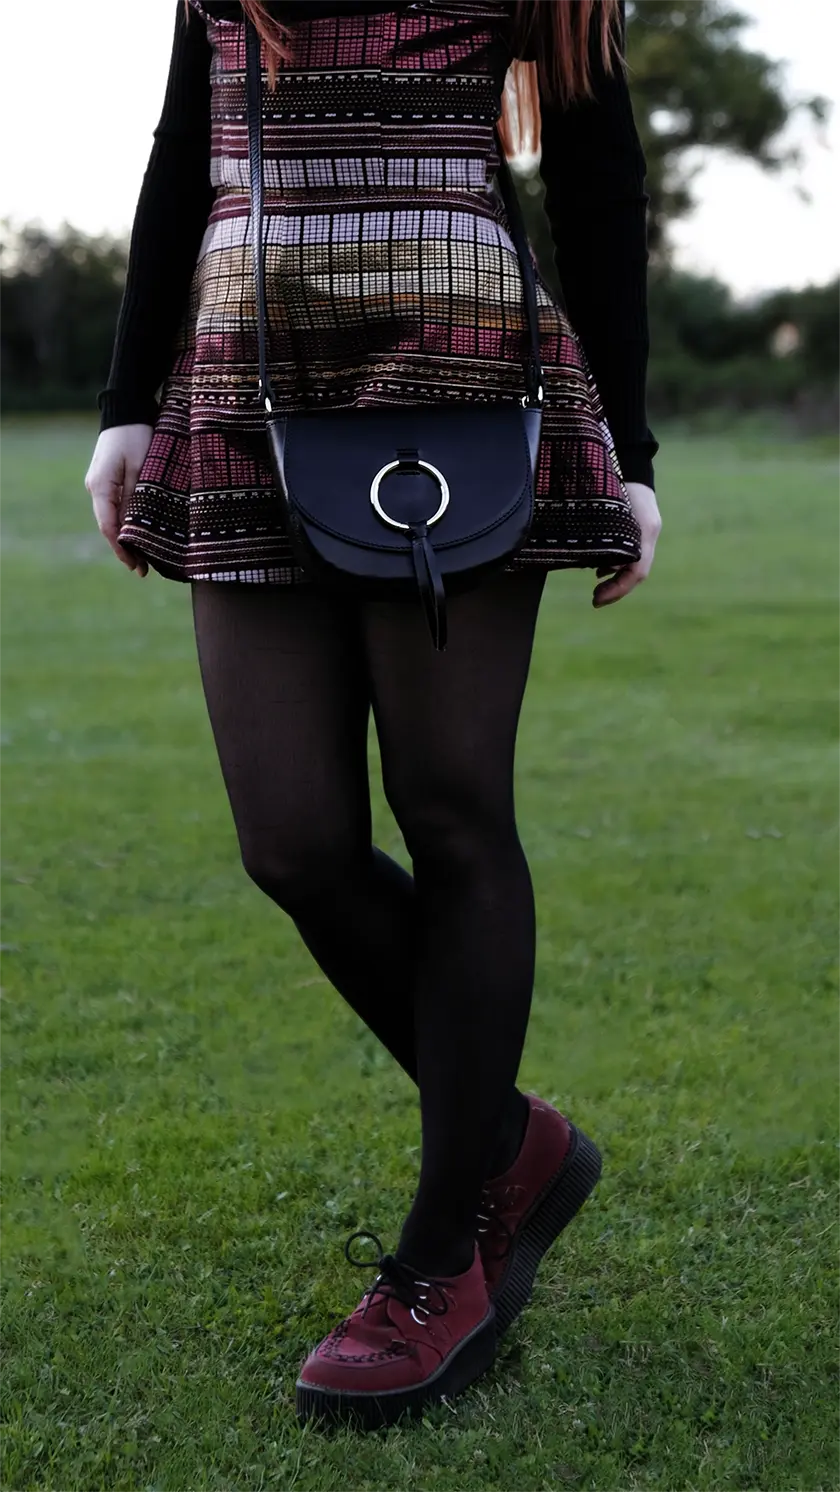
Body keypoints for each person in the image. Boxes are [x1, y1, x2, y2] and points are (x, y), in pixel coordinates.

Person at [85, 0, 661, 1428]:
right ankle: (512, 1144)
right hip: (245, 372)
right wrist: (123, 403)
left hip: (461, 373)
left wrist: (633, 446)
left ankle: (436, 1265)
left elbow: (595, 161)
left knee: (455, 810)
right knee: (293, 840)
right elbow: (184, 142)